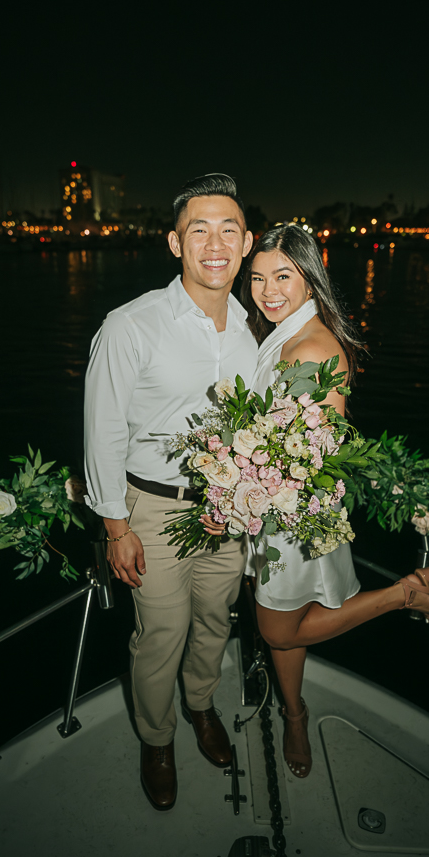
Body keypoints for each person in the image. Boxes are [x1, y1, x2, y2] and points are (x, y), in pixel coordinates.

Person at [204, 224, 429, 779]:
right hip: (276, 510)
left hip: (294, 514)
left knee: (276, 630)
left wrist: (231, 499)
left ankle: (403, 594)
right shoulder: (284, 333)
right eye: (259, 277)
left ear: (310, 277)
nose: (268, 290)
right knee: (284, 622)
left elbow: (308, 456)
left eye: (283, 276)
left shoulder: (313, 348)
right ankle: (295, 714)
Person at [83, 173, 258, 811]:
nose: (215, 243)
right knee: (161, 632)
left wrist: (249, 501)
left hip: (228, 510)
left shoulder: (251, 328)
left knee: (216, 620)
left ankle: (201, 706)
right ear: (174, 242)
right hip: (150, 509)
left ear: (246, 244)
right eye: (199, 230)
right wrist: (116, 527)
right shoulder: (132, 326)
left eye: (228, 230)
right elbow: (101, 428)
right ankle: (156, 741)